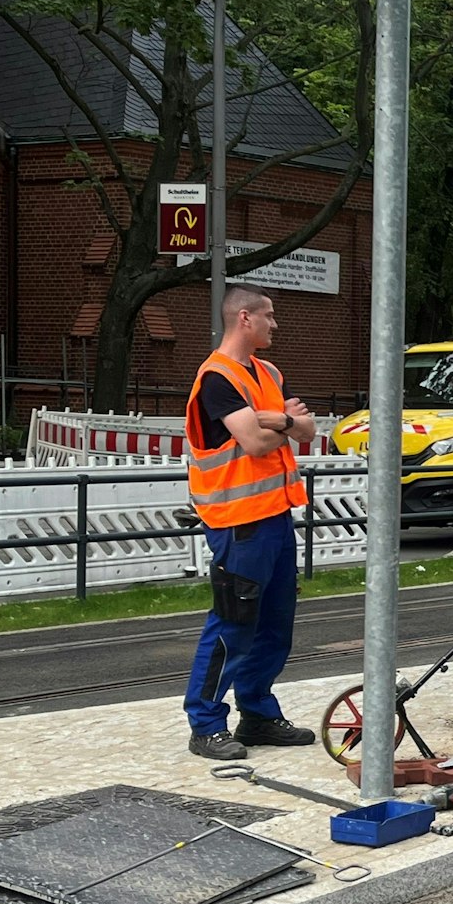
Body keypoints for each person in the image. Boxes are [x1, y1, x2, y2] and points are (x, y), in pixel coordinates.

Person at [182, 284, 315, 760]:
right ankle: (206, 724)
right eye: (269, 316)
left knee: (275, 625)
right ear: (244, 318)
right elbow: (255, 444)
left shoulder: (269, 372)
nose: (274, 325)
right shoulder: (217, 378)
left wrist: (273, 419)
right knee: (234, 622)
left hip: (274, 518)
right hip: (238, 522)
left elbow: (310, 428)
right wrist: (283, 424)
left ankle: (256, 714)